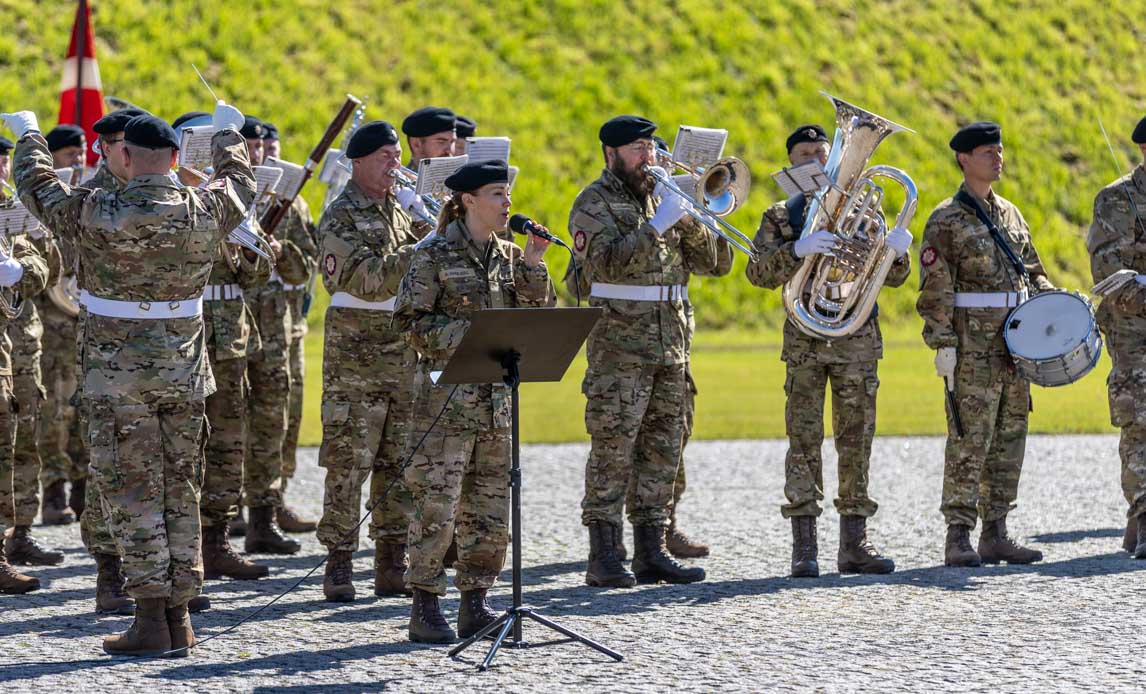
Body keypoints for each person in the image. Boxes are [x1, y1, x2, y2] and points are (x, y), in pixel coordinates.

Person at [7, 104, 255, 655]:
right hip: (184, 372)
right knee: (180, 488)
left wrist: (28, 135)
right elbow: (240, 179)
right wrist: (227, 133)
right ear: (173, 159)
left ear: (121, 155)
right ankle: (180, 614)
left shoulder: (96, 209)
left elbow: (33, 183)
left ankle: (149, 617)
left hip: (118, 377)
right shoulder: (207, 206)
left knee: (133, 490)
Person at [394, 159, 555, 643]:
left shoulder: (508, 255)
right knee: (437, 506)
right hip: (447, 403)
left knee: (489, 508)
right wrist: (471, 334)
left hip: (496, 404)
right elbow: (408, 323)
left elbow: (539, 313)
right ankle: (424, 606)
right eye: (497, 195)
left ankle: (476, 603)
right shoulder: (433, 255)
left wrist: (533, 263)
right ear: (468, 201)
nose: (508, 204)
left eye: (507, 195)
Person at [745, 124, 911, 577]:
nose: (818, 161)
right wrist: (797, 249)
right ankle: (804, 547)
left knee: (857, 440)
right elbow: (757, 272)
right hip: (805, 341)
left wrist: (896, 252)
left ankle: (854, 544)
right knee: (803, 441)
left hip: (856, 339)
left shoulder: (863, 208)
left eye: (825, 152)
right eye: (807, 154)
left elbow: (892, 280)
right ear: (792, 162)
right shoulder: (781, 214)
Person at [569, 115, 727, 588]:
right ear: (610, 154)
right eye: (637, 150)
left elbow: (716, 264)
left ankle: (652, 551)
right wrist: (656, 227)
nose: (648, 158)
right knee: (614, 451)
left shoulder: (665, 197)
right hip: (620, 349)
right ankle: (604, 554)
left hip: (671, 346)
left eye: (650, 149)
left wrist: (698, 218)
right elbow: (602, 265)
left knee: (663, 450)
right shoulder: (592, 203)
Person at [917, 121, 1053, 567]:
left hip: (1016, 346)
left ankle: (997, 532)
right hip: (973, 347)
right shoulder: (946, 219)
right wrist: (942, 343)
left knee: (1010, 437)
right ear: (964, 159)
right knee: (968, 439)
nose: (998, 158)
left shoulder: (1011, 214)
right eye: (988, 152)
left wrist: (1052, 300)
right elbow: (935, 289)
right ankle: (958, 535)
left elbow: (1032, 268)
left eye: (1000, 150)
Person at [315, 120, 433, 602]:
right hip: (356, 357)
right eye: (385, 156)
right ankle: (338, 563)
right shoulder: (339, 216)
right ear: (358, 162)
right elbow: (365, 280)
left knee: (400, 461)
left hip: (403, 351)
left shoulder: (403, 210)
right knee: (349, 461)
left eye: (396, 155)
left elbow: (443, 257)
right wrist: (419, 247)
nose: (395, 164)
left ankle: (392, 560)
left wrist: (428, 222)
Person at [241, 116, 314, 555]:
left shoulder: (292, 203)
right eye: (251, 146)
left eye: (265, 146)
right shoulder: (227, 197)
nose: (259, 154)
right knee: (231, 423)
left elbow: (307, 266)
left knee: (279, 419)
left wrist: (282, 253)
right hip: (233, 326)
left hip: (280, 325)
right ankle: (229, 508)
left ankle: (271, 501)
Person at [1085, 114, 1146, 559]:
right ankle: (1144, 516)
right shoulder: (1116, 200)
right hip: (1135, 335)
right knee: (1140, 424)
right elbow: (1111, 277)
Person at [0, 136, 52, 595]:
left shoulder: (9, 215)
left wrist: (15, 269)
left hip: (12, 349)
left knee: (13, 447)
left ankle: (14, 538)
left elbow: (41, 267)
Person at [36, 124, 89, 526]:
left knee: (85, 407)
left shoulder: (89, 199)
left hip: (84, 321)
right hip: (49, 324)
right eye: (70, 154)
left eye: (82, 152)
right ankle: (52, 492)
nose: (79, 160)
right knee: (52, 410)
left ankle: (83, 487)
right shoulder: (39, 204)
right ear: (51, 158)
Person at [401, 107, 457, 171]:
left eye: (452, 142)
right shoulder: (395, 181)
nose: (449, 150)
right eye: (441, 142)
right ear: (416, 144)